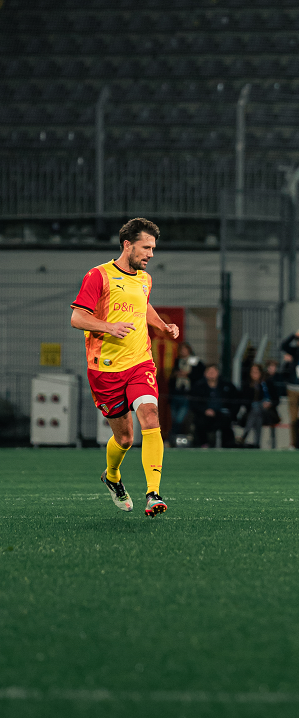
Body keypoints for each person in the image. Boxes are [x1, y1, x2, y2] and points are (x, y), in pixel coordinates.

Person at [70, 217, 177, 517]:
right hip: (105, 370)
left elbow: (143, 306)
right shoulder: (98, 275)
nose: (151, 254)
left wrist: (162, 325)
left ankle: (153, 494)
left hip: (140, 362)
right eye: (146, 247)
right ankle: (112, 476)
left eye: (153, 248)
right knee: (125, 439)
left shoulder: (144, 279)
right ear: (128, 245)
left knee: (151, 415)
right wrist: (107, 327)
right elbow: (78, 318)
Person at [190, 364, 240, 448]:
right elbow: (194, 403)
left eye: (213, 372)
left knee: (226, 423)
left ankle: (227, 446)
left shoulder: (227, 386)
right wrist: (204, 410)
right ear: (205, 373)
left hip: (222, 414)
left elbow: (235, 401)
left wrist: (230, 412)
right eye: (209, 372)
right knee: (199, 423)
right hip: (204, 414)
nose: (211, 374)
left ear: (218, 373)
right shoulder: (198, 386)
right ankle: (203, 444)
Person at [240, 363, 278, 448]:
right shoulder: (247, 385)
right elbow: (245, 402)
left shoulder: (267, 384)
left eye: (256, 372)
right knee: (258, 414)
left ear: (261, 373)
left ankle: (245, 435)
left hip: (268, 413)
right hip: (253, 412)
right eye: (253, 372)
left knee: (257, 409)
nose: (255, 374)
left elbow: (276, 399)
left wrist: (269, 404)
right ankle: (257, 444)